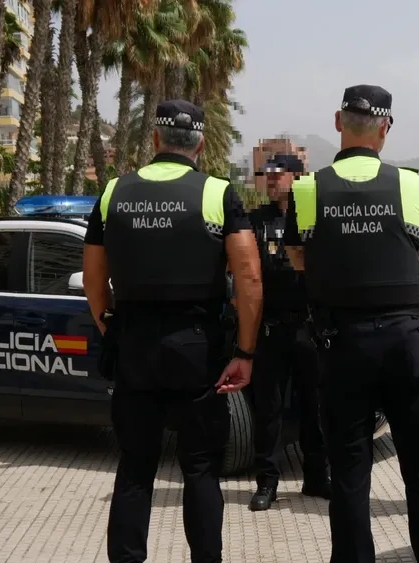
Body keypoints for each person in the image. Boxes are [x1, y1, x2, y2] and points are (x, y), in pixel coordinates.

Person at [82, 99, 263, 563]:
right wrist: (244, 350)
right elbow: (249, 280)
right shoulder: (217, 193)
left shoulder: (113, 193)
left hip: (135, 348)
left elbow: (92, 280)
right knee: (200, 469)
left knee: (136, 469)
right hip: (197, 349)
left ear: (156, 140)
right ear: (200, 143)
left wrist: (109, 326)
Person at [282, 84, 419, 563]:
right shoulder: (408, 184)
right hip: (406, 340)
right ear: (386, 127)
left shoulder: (308, 187)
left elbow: (299, 258)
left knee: (351, 473)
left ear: (339, 122)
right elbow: (414, 251)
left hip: (342, 344)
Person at [246, 153, 330, 511]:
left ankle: (316, 478)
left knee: (316, 406)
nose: (271, 179)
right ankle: (267, 482)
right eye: (266, 174)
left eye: (277, 174)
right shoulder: (255, 221)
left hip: (308, 327)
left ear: (297, 178)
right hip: (271, 329)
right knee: (268, 410)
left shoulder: (315, 218)